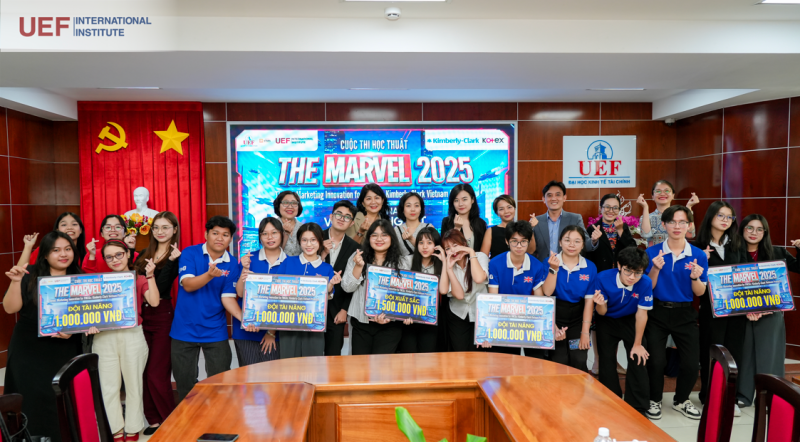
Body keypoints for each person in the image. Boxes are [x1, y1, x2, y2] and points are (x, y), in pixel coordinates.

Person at [3, 232, 83, 442]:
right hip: (28, 349)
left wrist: (74, 331)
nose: (63, 254)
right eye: (56, 250)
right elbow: (10, 308)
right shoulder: (28, 274)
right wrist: (15, 282)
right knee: (30, 399)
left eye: (67, 249)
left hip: (63, 349)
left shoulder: (80, 278)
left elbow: (86, 316)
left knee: (59, 400)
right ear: (45, 254)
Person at [85, 240, 160, 442]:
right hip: (103, 336)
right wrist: (89, 325)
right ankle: (116, 431)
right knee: (108, 387)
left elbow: (154, 301)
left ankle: (133, 429)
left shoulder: (139, 279)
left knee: (134, 385)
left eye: (119, 254)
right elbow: (87, 311)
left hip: (132, 335)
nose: (114, 260)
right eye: (109, 257)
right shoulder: (98, 281)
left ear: (128, 254)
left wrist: (151, 276)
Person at [644, 205, 708, 420]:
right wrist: (655, 268)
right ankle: (654, 400)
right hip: (657, 311)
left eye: (682, 222)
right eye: (672, 222)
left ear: (689, 225)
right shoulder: (652, 252)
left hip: (684, 313)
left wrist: (694, 277)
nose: (677, 226)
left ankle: (681, 400)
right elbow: (648, 288)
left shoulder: (698, 254)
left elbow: (700, 292)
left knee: (690, 362)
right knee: (656, 361)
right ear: (664, 225)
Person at [171, 216, 241, 402]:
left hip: (215, 331)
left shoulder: (232, 263)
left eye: (225, 235)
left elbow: (227, 297)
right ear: (206, 234)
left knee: (220, 384)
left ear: (230, 239)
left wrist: (245, 318)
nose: (220, 238)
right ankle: (189, 420)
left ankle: (217, 419)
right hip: (184, 329)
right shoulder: (190, 253)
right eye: (215, 233)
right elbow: (188, 285)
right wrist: (209, 275)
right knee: (185, 386)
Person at [736, 215, 800, 407]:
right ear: (742, 229)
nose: (754, 233)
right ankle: (743, 396)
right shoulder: (734, 252)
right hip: (742, 314)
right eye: (749, 228)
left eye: (759, 229)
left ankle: (769, 398)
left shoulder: (777, 252)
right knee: (745, 356)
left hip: (771, 314)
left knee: (770, 356)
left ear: (765, 233)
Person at [691, 201, 747, 412]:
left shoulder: (738, 244)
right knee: (712, 353)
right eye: (720, 215)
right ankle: (709, 396)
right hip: (710, 309)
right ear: (711, 217)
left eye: (729, 217)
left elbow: (746, 276)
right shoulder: (697, 246)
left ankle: (730, 398)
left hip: (736, 309)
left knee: (734, 354)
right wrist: (702, 260)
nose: (725, 220)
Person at [132, 212, 181, 435]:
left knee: (157, 372)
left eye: (165, 227)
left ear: (174, 230)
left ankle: (169, 419)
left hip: (162, 314)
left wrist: (170, 262)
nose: (160, 232)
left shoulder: (177, 256)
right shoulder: (144, 253)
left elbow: (159, 289)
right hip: (141, 315)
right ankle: (153, 419)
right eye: (157, 227)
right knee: (143, 370)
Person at [593, 246, 653, 416]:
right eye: (628, 271)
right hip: (607, 318)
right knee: (606, 359)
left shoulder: (645, 282)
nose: (632, 277)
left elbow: (642, 314)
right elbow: (601, 312)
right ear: (619, 265)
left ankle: (638, 406)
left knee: (638, 356)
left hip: (630, 319)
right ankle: (611, 401)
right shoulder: (603, 278)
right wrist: (600, 303)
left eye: (638, 272)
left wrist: (638, 344)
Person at [342, 219, 410, 355]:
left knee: (383, 366)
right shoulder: (357, 257)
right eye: (374, 235)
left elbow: (406, 295)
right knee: (361, 365)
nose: (379, 239)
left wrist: (392, 316)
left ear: (392, 238)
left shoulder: (402, 263)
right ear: (369, 238)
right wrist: (359, 266)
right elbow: (347, 287)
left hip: (390, 325)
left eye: (384, 235)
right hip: (361, 322)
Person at [277, 223, 340, 358]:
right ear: (299, 242)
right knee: (288, 364)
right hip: (288, 324)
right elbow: (275, 289)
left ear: (320, 241)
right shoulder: (288, 262)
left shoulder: (326, 268)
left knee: (313, 365)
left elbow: (326, 296)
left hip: (314, 325)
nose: (309, 244)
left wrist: (330, 285)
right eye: (304, 240)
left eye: (313, 240)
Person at [486, 221, 549, 356]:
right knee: (506, 360)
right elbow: (493, 298)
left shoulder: (536, 265)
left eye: (523, 241)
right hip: (503, 318)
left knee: (535, 359)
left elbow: (539, 297)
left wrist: (543, 323)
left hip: (528, 319)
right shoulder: (495, 263)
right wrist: (489, 329)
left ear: (529, 242)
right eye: (514, 241)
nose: (519, 246)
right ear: (507, 241)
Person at [543, 226, 598, 371]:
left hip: (578, 319)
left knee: (579, 359)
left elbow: (589, 302)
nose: (572, 245)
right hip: (555, 315)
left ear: (583, 244)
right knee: (559, 361)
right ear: (560, 242)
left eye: (577, 241)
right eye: (567, 240)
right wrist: (553, 269)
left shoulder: (590, 267)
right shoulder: (549, 261)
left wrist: (585, 332)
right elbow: (547, 293)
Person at [234, 217, 285, 365]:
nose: (270, 237)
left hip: (275, 335)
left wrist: (271, 332)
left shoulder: (290, 262)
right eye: (264, 233)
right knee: (248, 375)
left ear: (281, 234)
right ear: (260, 237)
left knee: (272, 376)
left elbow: (288, 302)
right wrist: (244, 270)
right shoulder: (249, 259)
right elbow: (240, 293)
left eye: (274, 233)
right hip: (246, 332)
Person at [321, 201, 360, 356]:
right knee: (310, 356)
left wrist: (344, 309)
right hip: (312, 305)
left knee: (333, 355)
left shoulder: (354, 247)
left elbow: (353, 282)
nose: (342, 219)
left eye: (347, 217)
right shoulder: (315, 238)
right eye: (339, 214)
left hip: (337, 310)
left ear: (351, 223)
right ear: (331, 216)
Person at [440, 229, 489, 352]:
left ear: (464, 243)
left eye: (455, 245)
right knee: (459, 353)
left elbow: (479, 279)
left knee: (478, 354)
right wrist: (449, 269)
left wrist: (471, 252)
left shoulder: (480, 256)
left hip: (481, 314)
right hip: (457, 314)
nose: (453, 251)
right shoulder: (448, 264)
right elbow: (459, 295)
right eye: (448, 248)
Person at [399, 226, 444, 353]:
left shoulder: (441, 264)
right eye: (421, 242)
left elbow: (444, 291)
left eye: (429, 243)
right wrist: (403, 314)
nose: (425, 247)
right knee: (408, 356)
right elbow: (398, 289)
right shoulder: (407, 261)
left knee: (427, 356)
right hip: (408, 316)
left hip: (430, 318)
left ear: (436, 245)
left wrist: (445, 261)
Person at [532, 181, 596, 262]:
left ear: (564, 198)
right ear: (544, 199)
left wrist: (593, 241)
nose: (554, 198)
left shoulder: (575, 219)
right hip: (543, 267)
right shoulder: (536, 221)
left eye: (558, 195)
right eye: (549, 195)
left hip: (568, 266)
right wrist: (531, 228)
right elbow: (530, 250)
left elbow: (586, 245)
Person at [636, 180, 699, 247]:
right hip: (655, 252)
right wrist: (645, 207)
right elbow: (646, 235)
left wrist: (689, 207)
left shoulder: (680, 216)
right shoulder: (647, 217)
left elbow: (690, 235)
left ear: (673, 195)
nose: (662, 194)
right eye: (658, 191)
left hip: (677, 252)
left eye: (667, 191)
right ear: (652, 197)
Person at [586, 194, 638, 272]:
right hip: (600, 273)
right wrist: (593, 241)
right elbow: (586, 253)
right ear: (600, 208)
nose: (611, 211)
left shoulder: (623, 227)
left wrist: (620, 231)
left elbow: (633, 249)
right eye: (607, 207)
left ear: (619, 210)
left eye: (615, 208)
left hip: (620, 273)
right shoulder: (592, 228)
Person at [18, 211, 87, 266]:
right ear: (57, 230)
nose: (69, 227)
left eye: (74, 224)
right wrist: (28, 246)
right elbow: (21, 272)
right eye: (64, 225)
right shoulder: (47, 247)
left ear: (80, 230)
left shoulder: (86, 253)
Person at [481, 195, 538, 259]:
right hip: (498, 265)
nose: (506, 211)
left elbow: (530, 251)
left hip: (519, 265)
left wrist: (530, 229)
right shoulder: (491, 231)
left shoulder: (522, 228)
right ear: (497, 213)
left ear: (514, 209)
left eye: (509, 207)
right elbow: (483, 257)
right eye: (501, 209)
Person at [440, 183, 487, 252]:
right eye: (456, 200)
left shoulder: (481, 223)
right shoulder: (446, 222)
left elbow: (483, 252)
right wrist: (456, 229)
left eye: (464, 199)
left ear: (472, 200)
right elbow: (445, 249)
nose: (460, 204)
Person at [395, 192, 433, 256]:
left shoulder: (429, 228)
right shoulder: (396, 230)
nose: (413, 209)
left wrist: (411, 239)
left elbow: (433, 253)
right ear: (403, 209)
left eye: (416, 205)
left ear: (421, 209)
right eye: (408, 206)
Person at [274, 190, 305, 256]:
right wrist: (285, 234)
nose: (290, 207)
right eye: (285, 202)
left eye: (294, 203)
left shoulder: (304, 228)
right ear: (278, 206)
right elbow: (272, 253)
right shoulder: (271, 226)